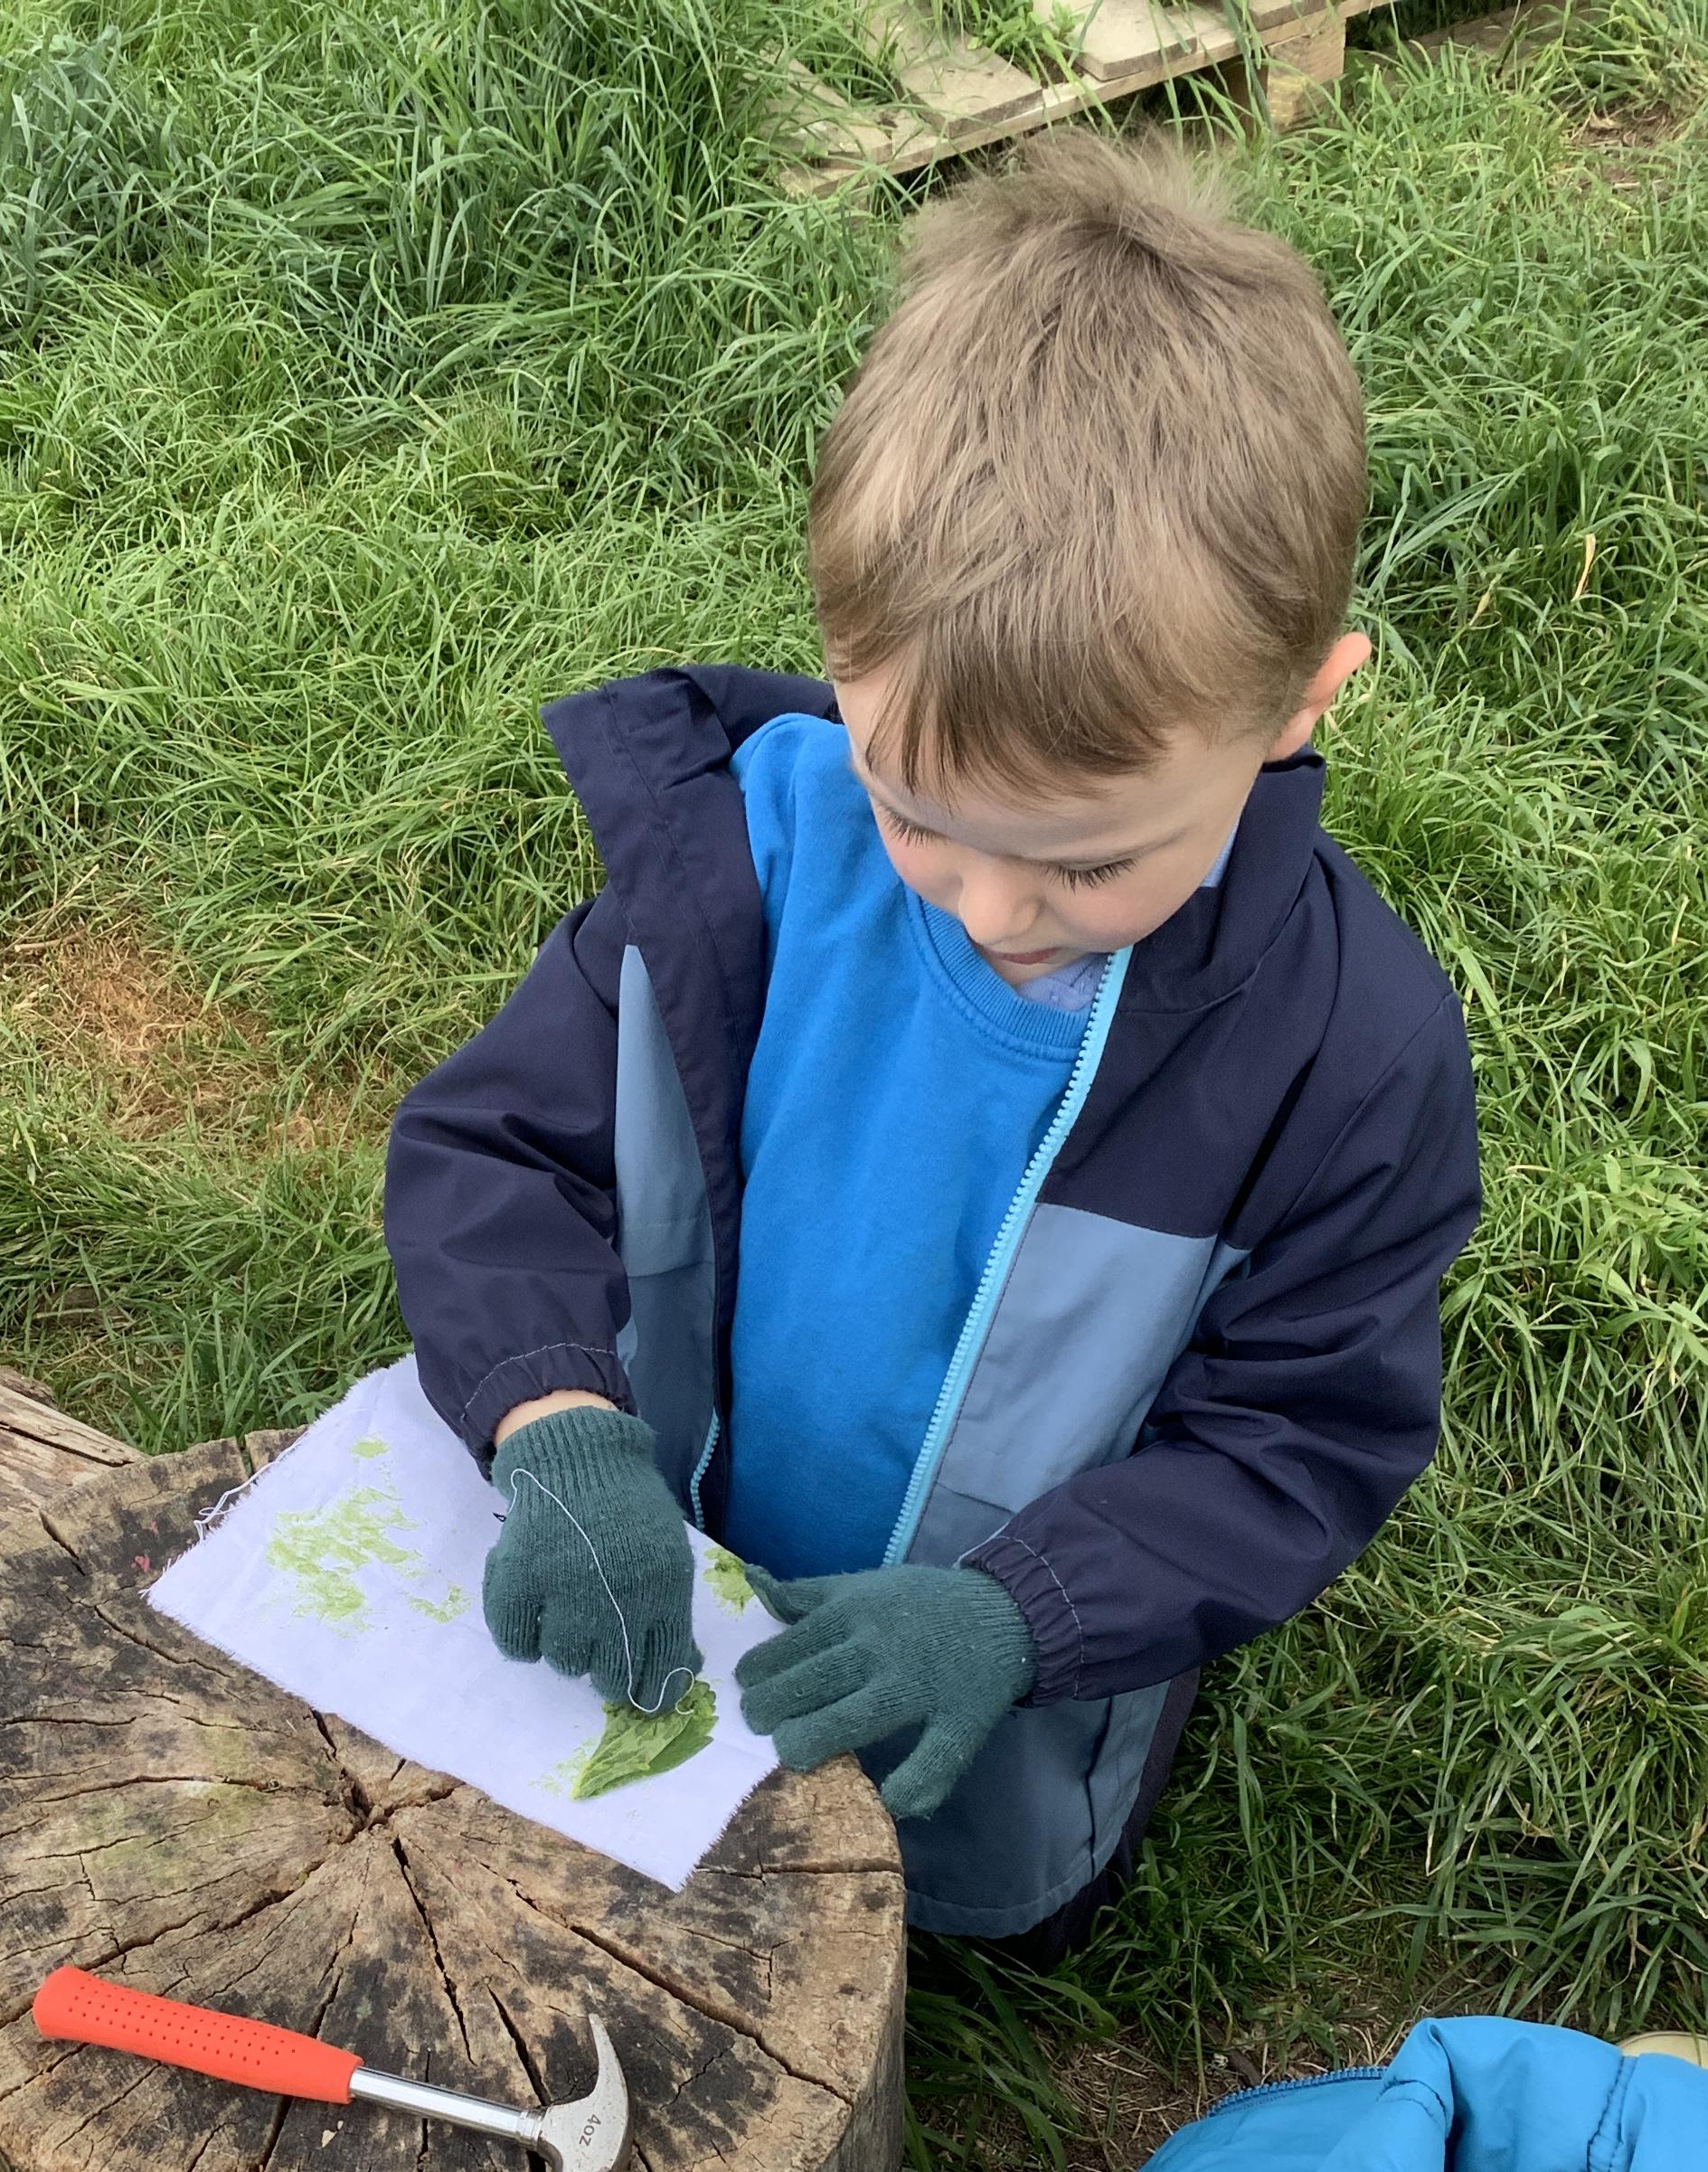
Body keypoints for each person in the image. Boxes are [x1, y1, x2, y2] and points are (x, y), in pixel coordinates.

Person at [383, 133, 1480, 1956]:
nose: (989, 908)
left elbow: (1297, 1439)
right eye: (918, 816)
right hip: (672, 1613)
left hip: (1004, 1737)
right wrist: (555, 1418)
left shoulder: (1347, 1061)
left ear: (1301, 705)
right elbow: (495, 1150)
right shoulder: (741, 864)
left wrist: (1023, 1614)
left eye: (1090, 861)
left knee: (912, 1935)